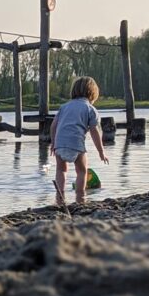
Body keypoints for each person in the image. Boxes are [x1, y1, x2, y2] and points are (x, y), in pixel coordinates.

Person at [50, 76, 109, 204]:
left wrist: (53, 143)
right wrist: (101, 152)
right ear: (93, 94)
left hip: (60, 143)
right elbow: (95, 132)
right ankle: (80, 196)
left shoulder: (64, 107)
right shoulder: (90, 109)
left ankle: (60, 196)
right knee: (82, 171)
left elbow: (54, 125)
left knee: (61, 170)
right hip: (76, 144)